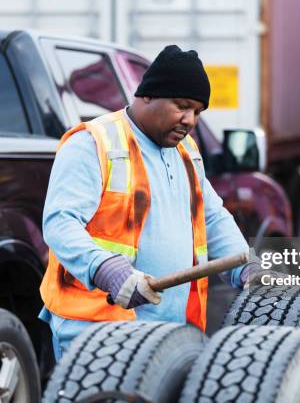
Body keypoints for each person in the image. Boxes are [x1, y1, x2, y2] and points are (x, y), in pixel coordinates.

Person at [38, 45, 262, 360]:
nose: (190, 120)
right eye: (182, 106)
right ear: (147, 95)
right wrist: (108, 270)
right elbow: (60, 223)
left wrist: (246, 267)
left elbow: (211, 217)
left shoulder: (187, 152)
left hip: (169, 334)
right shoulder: (93, 144)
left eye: (197, 111)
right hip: (97, 331)